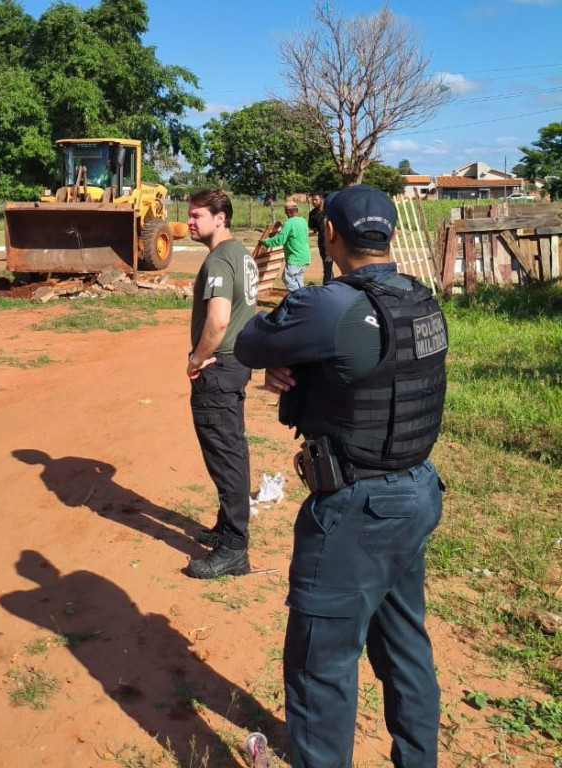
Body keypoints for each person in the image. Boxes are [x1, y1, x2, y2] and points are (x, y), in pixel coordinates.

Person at [234, 184, 448, 768]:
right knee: (405, 648)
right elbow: (378, 372)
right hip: (416, 492)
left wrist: (290, 357)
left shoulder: (331, 304)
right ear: (390, 235)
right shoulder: (421, 300)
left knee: (319, 667)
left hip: (357, 509)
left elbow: (251, 340)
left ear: (329, 235)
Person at [185, 188, 259, 579]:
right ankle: (226, 527)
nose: (190, 222)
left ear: (220, 218)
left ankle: (234, 547)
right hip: (237, 364)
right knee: (233, 447)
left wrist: (197, 359)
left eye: (197, 216)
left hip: (218, 367)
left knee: (225, 454)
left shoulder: (219, 260)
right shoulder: (242, 255)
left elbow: (218, 320)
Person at [261, 200, 311, 292]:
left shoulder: (289, 223)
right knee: (298, 280)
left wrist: (266, 242)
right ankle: (304, 299)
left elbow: (281, 239)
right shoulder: (303, 221)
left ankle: (298, 298)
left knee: (287, 278)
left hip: (295, 257)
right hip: (305, 257)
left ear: (288, 212)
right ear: (297, 210)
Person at [308, 192, 333, 285]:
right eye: (312, 200)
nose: (314, 202)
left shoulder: (330, 211)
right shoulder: (312, 214)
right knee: (327, 267)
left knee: (328, 266)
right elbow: (313, 230)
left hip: (333, 243)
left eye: (316, 199)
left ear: (322, 199)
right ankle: (330, 285)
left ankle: (326, 286)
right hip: (322, 243)